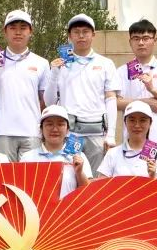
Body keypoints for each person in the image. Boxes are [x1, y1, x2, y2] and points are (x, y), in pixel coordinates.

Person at [43, 14, 118, 170]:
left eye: (85, 32)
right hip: (71, 134)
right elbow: (49, 102)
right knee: (70, 174)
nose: (81, 36)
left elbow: (111, 99)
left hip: (97, 133)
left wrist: (111, 134)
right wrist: (54, 73)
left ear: (93, 34)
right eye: (76, 32)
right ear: (70, 36)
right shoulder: (61, 64)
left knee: (97, 179)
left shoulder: (106, 63)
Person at [0, 10, 49, 160]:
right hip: (3, 130)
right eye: (13, 28)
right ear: (5, 32)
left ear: (30, 31)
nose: (18, 32)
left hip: (32, 131)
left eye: (23, 28)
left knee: (30, 174)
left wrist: (43, 128)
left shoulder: (41, 63)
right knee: (5, 174)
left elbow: (45, 101)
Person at [114, 19, 157, 167]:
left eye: (146, 38)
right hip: (131, 141)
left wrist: (153, 90)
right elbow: (115, 102)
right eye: (136, 38)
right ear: (130, 42)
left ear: (154, 40)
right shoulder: (122, 71)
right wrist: (146, 103)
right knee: (134, 180)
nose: (141, 43)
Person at [21, 105, 93, 199]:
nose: (55, 129)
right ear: (41, 129)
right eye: (49, 124)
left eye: (60, 124)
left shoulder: (79, 157)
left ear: (67, 130)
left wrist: (79, 173)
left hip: (70, 208)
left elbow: (89, 194)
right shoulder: (27, 158)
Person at [96, 100, 157, 181]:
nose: (137, 125)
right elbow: (101, 185)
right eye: (132, 120)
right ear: (125, 122)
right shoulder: (112, 154)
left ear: (150, 123)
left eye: (142, 120)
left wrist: (152, 177)